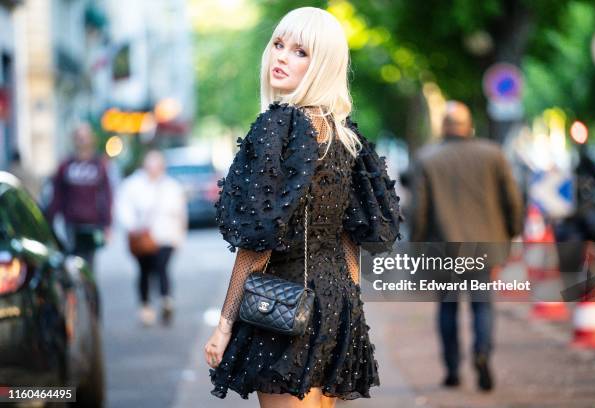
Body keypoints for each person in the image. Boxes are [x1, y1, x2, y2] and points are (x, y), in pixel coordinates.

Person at [204, 7, 403, 407]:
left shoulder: (280, 126)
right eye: (278, 44)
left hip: (283, 305)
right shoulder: (344, 136)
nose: (281, 57)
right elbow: (352, 239)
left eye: (300, 52)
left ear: (324, 64)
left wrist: (225, 322)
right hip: (336, 304)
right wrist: (350, 312)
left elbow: (258, 238)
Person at [409, 101, 524, 392]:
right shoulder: (492, 154)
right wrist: (512, 233)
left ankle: (451, 370)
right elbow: (512, 199)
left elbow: (418, 210)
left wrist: (417, 249)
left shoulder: (427, 158)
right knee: (482, 305)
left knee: (448, 308)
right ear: (468, 124)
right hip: (485, 247)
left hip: (444, 248)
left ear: (443, 127)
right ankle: (482, 352)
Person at [114, 150, 187, 326]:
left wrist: (180, 237)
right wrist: (132, 227)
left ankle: (165, 300)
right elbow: (123, 208)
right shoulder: (133, 185)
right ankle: (146, 305)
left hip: (166, 236)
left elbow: (180, 213)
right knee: (145, 271)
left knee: (162, 267)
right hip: (142, 237)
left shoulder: (172, 186)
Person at [46, 122, 113, 269]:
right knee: (72, 263)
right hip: (71, 223)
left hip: (93, 223)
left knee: (89, 264)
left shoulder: (99, 165)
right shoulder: (65, 166)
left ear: (91, 139)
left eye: (85, 137)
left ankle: (89, 291)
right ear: (74, 139)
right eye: (79, 137)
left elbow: (106, 195)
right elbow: (57, 194)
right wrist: (50, 219)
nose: (82, 140)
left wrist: (107, 223)